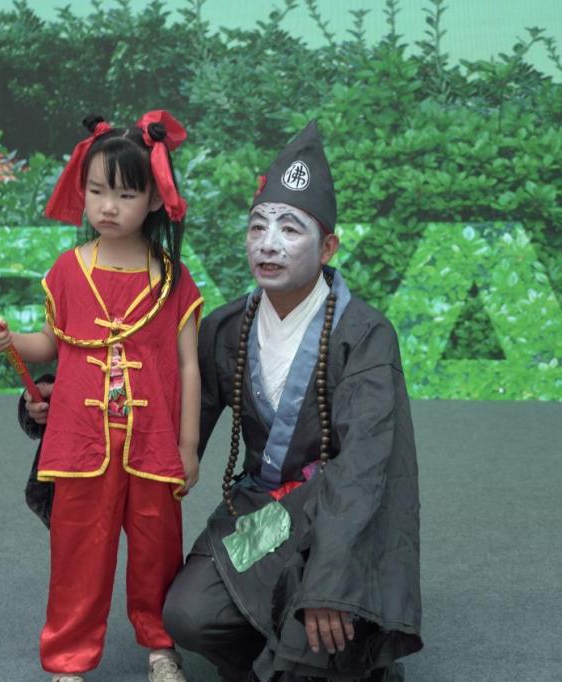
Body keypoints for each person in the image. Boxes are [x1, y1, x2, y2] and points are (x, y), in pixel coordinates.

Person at [159, 121, 423, 681]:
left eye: (290, 228)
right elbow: (172, 416)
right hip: (268, 512)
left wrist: (329, 585)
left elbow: (363, 470)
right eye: (257, 226)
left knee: (318, 631)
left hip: (344, 515)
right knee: (189, 616)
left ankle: (338, 653)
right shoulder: (227, 327)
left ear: (328, 246)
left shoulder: (364, 335)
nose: (268, 243)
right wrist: (65, 404)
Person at [0, 111, 203, 682]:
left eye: (126, 194)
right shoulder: (67, 271)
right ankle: (68, 661)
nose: (108, 206)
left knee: (158, 552)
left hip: (153, 445)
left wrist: (188, 447)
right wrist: (10, 341)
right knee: (79, 552)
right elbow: (49, 345)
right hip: (80, 445)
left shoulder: (172, 280)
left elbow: (187, 365)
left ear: (154, 200)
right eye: (98, 190)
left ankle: (162, 648)